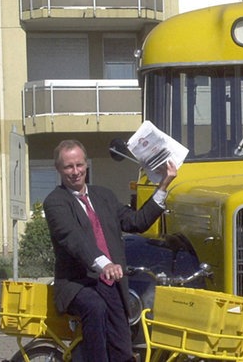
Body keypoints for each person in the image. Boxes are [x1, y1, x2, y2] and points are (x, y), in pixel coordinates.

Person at [44, 139, 177, 362]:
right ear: (58, 169)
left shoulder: (103, 196)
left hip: (109, 282)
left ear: (86, 165)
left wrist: (164, 184)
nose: (75, 172)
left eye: (79, 165)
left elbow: (136, 222)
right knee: (95, 307)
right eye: (68, 166)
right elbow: (74, 240)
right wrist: (104, 264)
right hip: (78, 283)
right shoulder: (56, 202)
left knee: (122, 343)